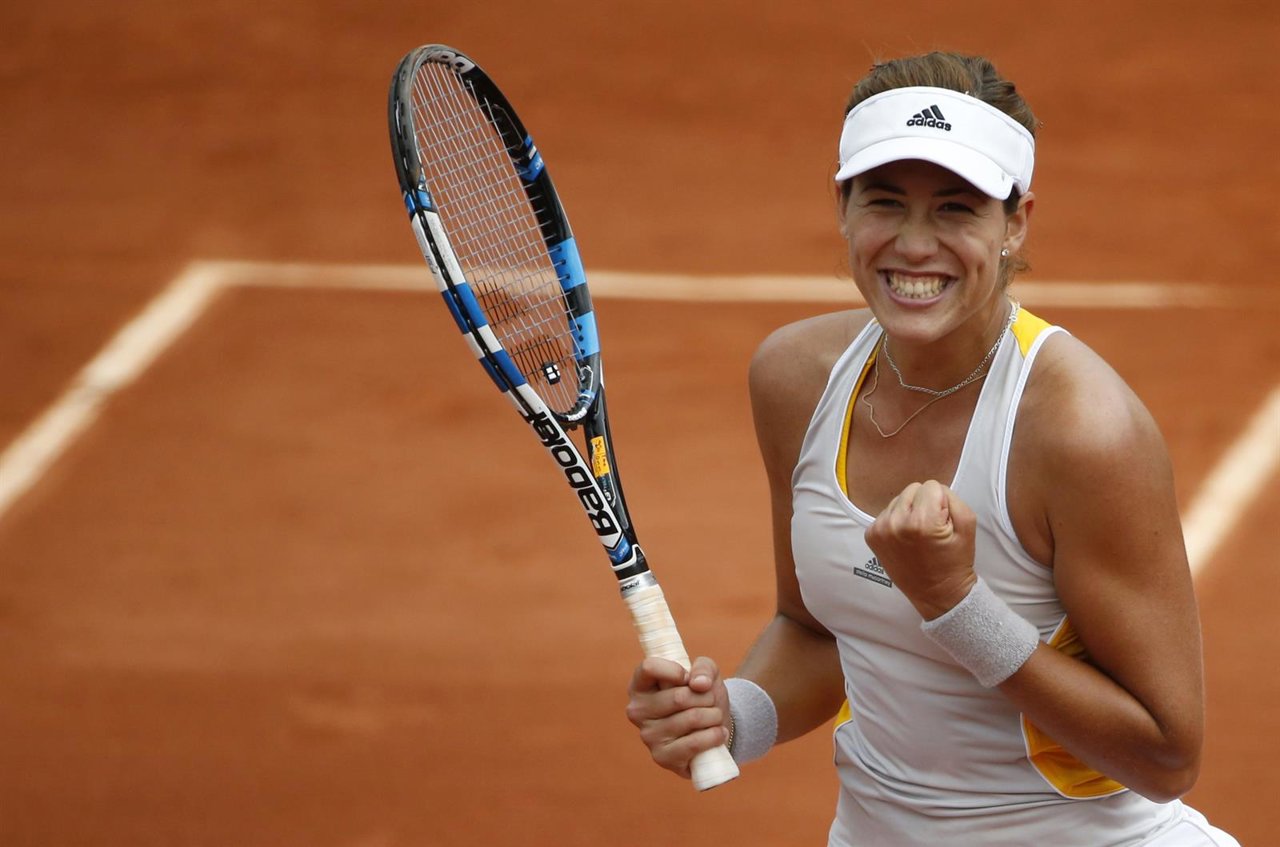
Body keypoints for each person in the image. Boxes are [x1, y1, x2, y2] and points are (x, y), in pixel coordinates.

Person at [625, 52, 1240, 846]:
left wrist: (957, 604)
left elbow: (1166, 755)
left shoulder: (1080, 429)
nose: (915, 245)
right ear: (843, 207)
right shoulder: (795, 378)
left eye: (956, 209)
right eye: (886, 202)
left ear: (1015, 223)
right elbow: (816, 629)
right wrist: (733, 717)